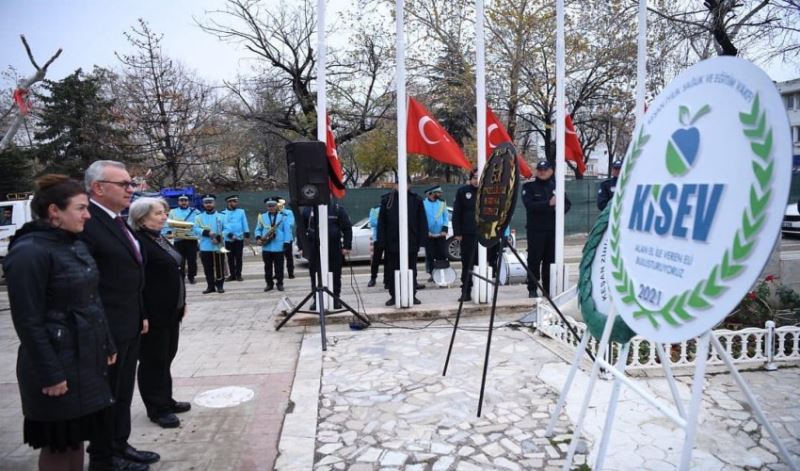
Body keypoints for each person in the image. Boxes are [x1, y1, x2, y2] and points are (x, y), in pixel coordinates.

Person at [4, 175, 116, 471]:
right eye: (81, 208)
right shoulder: (29, 252)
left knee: (75, 438)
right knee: (58, 444)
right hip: (56, 363)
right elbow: (28, 321)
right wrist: (51, 373)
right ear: (54, 211)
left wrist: (107, 342)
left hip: (84, 359)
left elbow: (91, 299)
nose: (87, 215)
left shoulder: (72, 244)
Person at [81, 160, 158, 471]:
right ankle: (103, 456)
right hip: (106, 328)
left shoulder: (116, 220)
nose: (131, 189)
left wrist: (141, 313)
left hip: (128, 322)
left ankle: (119, 444)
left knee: (123, 391)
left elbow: (130, 274)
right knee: (108, 393)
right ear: (98, 188)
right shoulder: (89, 222)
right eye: (124, 184)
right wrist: (101, 333)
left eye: (131, 183)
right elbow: (89, 286)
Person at [129, 197, 191, 430]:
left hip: (171, 311)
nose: (165, 216)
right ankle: (157, 408)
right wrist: (142, 313)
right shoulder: (138, 241)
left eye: (164, 212)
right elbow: (137, 282)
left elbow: (174, 269)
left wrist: (182, 301)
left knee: (166, 356)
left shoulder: (158, 237)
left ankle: (166, 399)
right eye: (158, 213)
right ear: (141, 218)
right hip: (153, 314)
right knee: (153, 360)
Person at [522, 160, 571, 298]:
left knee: (550, 260)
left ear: (551, 171)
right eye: (540, 170)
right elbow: (529, 205)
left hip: (552, 230)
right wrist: (548, 203)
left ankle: (548, 289)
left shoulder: (557, 187)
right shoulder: (529, 187)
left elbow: (567, 204)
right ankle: (532, 288)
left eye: (545, 170)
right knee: (534, 260)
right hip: (536, 230)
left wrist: (558, 209)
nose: (542, 172)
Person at [377, 183, 427, 306]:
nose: (401, 186)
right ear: (395, 185)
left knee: (411, 269)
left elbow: (422, 221)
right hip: (392, 241)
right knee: (393, 270)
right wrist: (381, 241)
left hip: (411, 240)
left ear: (409, 185)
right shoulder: (387, 200)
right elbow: (381, 222)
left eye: (405, 183)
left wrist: (422, 240)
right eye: (398, 183)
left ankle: (411, 294)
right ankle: (394, 296)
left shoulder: (416, 200)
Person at [452, 169, 480, 302]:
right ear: (470, 179)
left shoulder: (489, 191)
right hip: (468, 233)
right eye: (475, 177)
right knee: (468, 263)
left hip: (485, 234)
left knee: (483, 263)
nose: (477, 180)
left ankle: (482, 290)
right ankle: (466, 291)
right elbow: (456, 213)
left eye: (479, 177)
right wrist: (457, 232)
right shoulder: (463, 192)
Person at [193, 194, 229, 294]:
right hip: (205, 247)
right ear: (203, 204)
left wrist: (218, 238)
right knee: (207, 268)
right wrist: (206, 233)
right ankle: (210, 286)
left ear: (214, 203)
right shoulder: (198, 217)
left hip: (218, 246)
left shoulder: (222, 216)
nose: (208, 204)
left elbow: (227, 229)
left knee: (219, 267)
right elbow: (195, 228)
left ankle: (220, 285)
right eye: (206, 203)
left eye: (210, 202)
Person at [254, 198, 292, 292]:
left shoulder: (283, 217)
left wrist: (287, 242)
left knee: (279, 267)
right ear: (267, 207)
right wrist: (258, 237)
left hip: (279, 246)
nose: (271, 208)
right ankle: (269, 284)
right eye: (269, 206)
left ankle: (280, 283)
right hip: (266, 246)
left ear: (276, 206)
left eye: (273, 206)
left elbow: (287, 231)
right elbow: (258, 229)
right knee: (267, 267)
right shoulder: (262, 217)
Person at [164, 195, 199, 284]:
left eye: (185, 200)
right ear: (178, 202)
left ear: (188, 202)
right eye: (181, 201)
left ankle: (191, 277)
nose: (184, 202)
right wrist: (167, 232)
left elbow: (199, 223)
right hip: (178, 239)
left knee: (192, 260)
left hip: (191, 239)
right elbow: (168, 223)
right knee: (180, 260)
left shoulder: (195, 211)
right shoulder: (173, 212)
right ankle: (181, 277)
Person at [423, 186, 450, 281]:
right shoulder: (423, 203)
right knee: (430, 255)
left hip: (441, 234)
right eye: (438, 192)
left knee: (442, 254)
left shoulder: (442, 203)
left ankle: (442, 273)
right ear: (431, 193)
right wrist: (426, 231)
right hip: (429, 234)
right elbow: (421, 219)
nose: (440, 194)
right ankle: (432, 273)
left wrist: (444, 230)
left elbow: (446, 217)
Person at [221, 195, 249, 282]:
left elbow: (244, 223)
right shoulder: (222, 213)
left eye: (236, 201)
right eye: (233, 202)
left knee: (238, 257)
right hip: (228, 239)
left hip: (239, 238)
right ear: (229, 202)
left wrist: (247, 235)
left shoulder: (241, 212)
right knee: (230, 257)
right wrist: (229, 235)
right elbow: (222, 227)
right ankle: (232, 275)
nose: (235, 203)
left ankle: (238, 275)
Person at [277, 197, 296, 279]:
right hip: (277, 239)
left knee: (289, 257)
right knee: (277, 258)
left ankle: (290, 273)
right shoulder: (274, 213)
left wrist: (283, 216)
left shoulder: (289, 213)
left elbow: (291, 224)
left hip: (287, 238)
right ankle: (277, 273)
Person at [367, 203, 384, 288]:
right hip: (378, 238)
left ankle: (387, 279)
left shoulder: (389, 208)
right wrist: (383, 221)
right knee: (376, 260)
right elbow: (373, 222)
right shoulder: (375, 209)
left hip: (389, 238)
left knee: (389, 261)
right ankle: (373, 278)